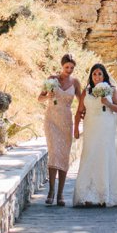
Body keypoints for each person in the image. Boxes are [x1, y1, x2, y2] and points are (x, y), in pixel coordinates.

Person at [72, 63, 117, 207]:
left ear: (104, 76)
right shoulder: (87, 91)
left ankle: (104, 194)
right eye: (94, 74)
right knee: (89, 155)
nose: (97, 77)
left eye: (100, 74)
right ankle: (87, 195)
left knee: (104, 155)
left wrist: (107, 103)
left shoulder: (112, 90)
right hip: (91, 127)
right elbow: (79, 111)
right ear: (91, 76)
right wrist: (76, 129)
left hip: (106, 127)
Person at [37, 55, 79, 206]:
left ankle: (61, 194)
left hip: (66, 121)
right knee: (54, 153)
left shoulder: (75, 82)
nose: (69, 70)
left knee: (64, 156)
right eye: (67, 67)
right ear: (62, 66)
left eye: (72, 68)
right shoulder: (52, 79)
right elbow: (39, 98)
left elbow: (82, 102)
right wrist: (48, 96)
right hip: (51, 121)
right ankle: (51, 191)